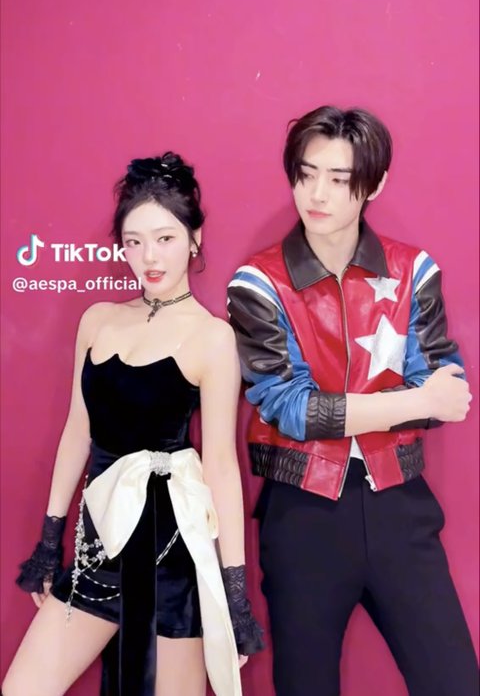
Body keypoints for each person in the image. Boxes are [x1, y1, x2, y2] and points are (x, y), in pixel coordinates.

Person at [227, 106, 479, 696]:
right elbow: (290, 410)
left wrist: (415, 399)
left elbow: (450, 395)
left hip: (400, 506)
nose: (317, 194)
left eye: (339, 179)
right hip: (304, 513)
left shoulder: (413, 270)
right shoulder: (258, 282)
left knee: (455, 682)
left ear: (375, 184)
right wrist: (410, 401)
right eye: (306, 174)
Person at [3, 153, 263, 696]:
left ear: (194, 239)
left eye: (165, 239)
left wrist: (235, 595)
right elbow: (78, 432)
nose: (149, 257)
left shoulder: (213, 337)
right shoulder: (97, 320)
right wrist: (50, 540)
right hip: (99, 550)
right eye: (134, 241)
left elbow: (221, 466)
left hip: (172, 558)